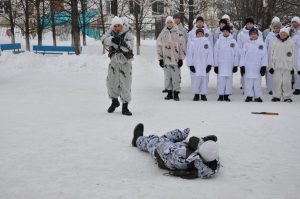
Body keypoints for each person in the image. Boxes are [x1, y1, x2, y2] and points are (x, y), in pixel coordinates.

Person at [132, 123, 220, 179]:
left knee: (153, 141)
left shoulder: (181, 156)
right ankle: (202, 139)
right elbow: (207, 153)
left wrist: (176, 135)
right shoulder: (211, 166)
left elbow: (161, 145)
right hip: (177, 150)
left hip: (162, 157)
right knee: (180, 139)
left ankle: (137, 140)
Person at [102, 16, 134, 116]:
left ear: (122, 25)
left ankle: (125, 107)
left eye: (119, 25)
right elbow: (103, 40)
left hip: (125, 63)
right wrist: (112, 40)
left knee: (125, 84)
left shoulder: (128, 33)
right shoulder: (110, 32)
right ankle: (114, 102)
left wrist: (120, 42)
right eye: (115, 26)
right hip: (114, 63)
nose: (117, 28)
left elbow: (129, 47)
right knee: (111, 82)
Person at [157, 16, 186, 101]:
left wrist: (181, 59)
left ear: (173, 23)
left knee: (175, 77)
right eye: (168, 22)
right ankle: (169, 93)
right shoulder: (163, 33)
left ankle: (176, 93)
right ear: (166, 23)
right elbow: (159, 46)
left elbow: (182, 46)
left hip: (175, 60)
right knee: (167, 76)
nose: (169, 24)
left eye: (171, 22)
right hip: (166, 60)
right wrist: (160, 59)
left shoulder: (178, 33)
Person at [240, 28, 268, 102]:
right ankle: (249, 96)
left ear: (257, 35)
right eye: (251, 34)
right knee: (248, 82)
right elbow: (242, 55)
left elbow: (264, 56)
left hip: (257, 67)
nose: (253, 35)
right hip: (248, 67)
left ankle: (257, 96)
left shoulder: (261, 44)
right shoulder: (246, 44)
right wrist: (242, 66)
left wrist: (263, 66)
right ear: (249, 35)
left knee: (257, 82)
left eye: (255, 34)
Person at [269, 27, 297, 102]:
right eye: (281, 33)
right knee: (276, 82)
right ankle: (276, 96)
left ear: (287, 34)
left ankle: (287, 97)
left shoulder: (291, 43)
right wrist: (271, 66)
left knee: (287, 82)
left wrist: (293, 68)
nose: (283, 35)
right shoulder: (275, 43)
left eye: (284, 33)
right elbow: (271, 55)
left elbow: (295, 56)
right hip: (277, 66)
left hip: (287, 67)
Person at [187, 28, 213, 101]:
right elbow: (190, 54)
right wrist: (191, 65)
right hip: (196, 65)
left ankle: (203, 94)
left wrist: (209, 64)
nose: (200, 34)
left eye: (201, 33)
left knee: (204, 80)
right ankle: (196, 94)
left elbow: (210, 54)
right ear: (196, 34)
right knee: (196, 80)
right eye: (198, 33)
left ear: (203, 34)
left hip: (204, 65)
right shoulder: (192, 43)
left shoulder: (207, 42)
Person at [214, 25, 239, 102]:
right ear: (222, 32)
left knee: (228, 80)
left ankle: (227, 95)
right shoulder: (218, 41)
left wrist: (235, 65)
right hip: (221, 64)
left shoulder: (233, 41)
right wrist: (216, 65)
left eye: (227, 31)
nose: (225, 32)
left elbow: (236, 54)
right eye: (224, 31)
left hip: (229, 64)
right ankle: (221, 95)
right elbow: (215, 53)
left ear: (229, 32)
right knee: (221, 80)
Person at [237, 17, 263, 90]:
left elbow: (261, 45)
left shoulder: (259, 33)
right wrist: (242, 56)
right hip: (245, 57)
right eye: (248, 24)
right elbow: (239, 47)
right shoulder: (241, 34)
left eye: (251, 24)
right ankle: (245, 87)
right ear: (245, 24)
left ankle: (255, 88)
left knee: (256, 74)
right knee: (245, 73)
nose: (249, 25)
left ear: (253, 24)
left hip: (256, 57)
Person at [265, 19, 282, 95]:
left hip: (279, 57)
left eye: (278, 28)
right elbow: (265, 46)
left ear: (280, 28)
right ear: (273, 28)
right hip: (270, 57)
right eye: (275, 28)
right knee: (270, 73)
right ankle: (270, 88)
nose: (276, 29)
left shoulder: (282, 35)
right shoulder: (269, 35)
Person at [290, 17, 300, 95]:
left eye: (295, 22)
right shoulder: (291, 31)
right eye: (293, 22)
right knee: (296, 70)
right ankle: (296, 87)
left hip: (298, 54)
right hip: (294, 54)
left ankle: (298, 88)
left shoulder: (298, 33)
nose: (294, 24)